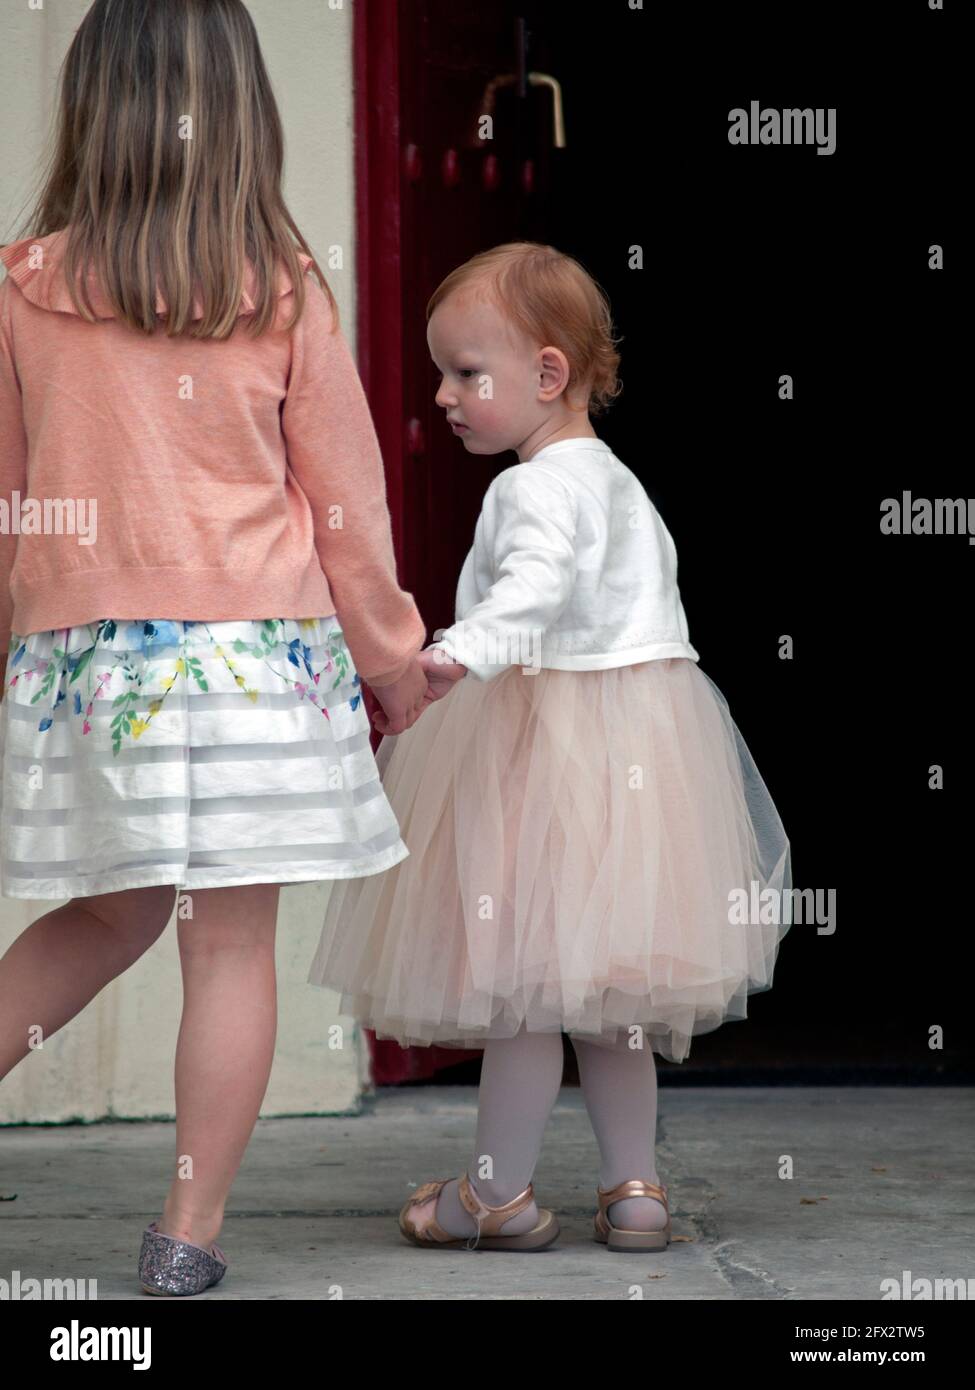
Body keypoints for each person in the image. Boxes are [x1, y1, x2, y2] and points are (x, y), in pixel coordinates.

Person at [0, 0, 428, 1296]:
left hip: (95, 670)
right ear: (238, 113)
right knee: (228, 943)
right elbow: (346, 506)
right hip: (256, 666)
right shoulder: (279, 287)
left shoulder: (22, 284)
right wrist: (393, 663)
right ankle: (185, 1235)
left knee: (104, 912)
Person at [308, 240, 794, 1254]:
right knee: (613, 993)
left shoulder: (531, 490)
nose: (444, 395)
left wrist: (454, 655)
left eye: (466, 373)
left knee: (523, 992)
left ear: (547, 374)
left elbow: (535, 594)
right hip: (646, 751)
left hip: (545, 746)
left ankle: (497, 1196)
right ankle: (635, 1188)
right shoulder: (620, 482)